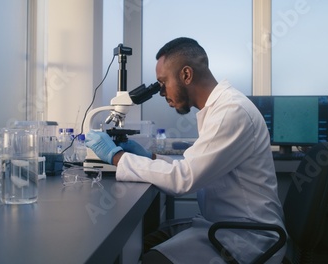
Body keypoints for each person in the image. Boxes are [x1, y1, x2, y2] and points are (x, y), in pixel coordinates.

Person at [86, 37, 286, 263]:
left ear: (186, 75)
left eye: (163, 83)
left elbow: (183, 179)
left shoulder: (231, 112)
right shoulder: (219, 109)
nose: (161, 93)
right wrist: (149, 156)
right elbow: (195, 166)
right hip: (222, 228)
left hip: (246, 238)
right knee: (143, 243)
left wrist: (116, 157)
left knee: (147, 258)